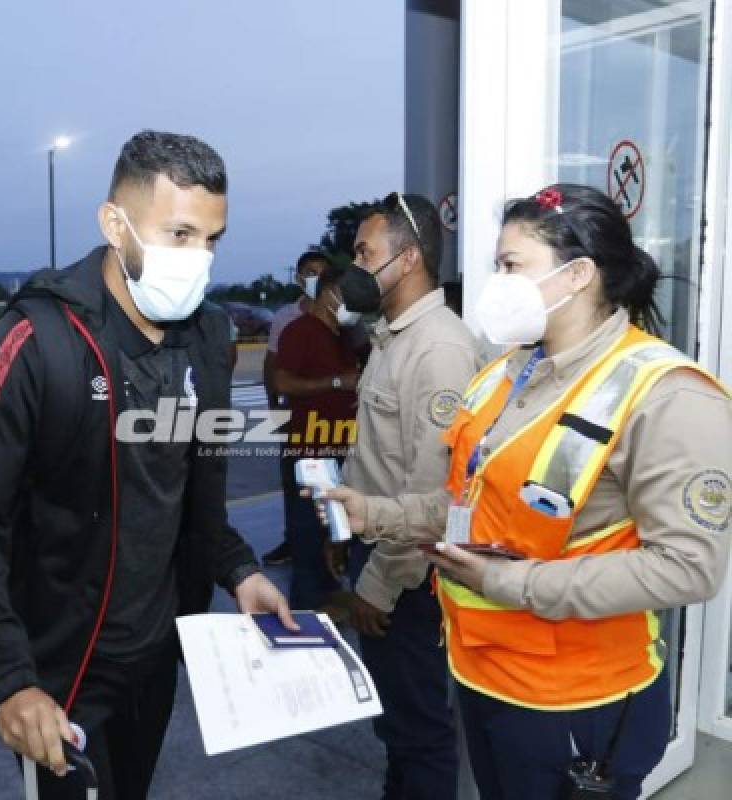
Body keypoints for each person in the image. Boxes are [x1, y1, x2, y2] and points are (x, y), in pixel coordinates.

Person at [318, 184, 732, 800]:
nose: (497, 283)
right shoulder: (504, 375)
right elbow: (469, 503)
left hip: (579, 701)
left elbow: (687, 568)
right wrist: (374, 512)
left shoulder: (667, 394)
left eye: (512, 265)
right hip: (486, 677)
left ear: (578, 275)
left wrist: (512, 583)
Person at [0, 130, 293, 800]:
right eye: (179, 234)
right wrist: (10, 681)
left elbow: (193, 490)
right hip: (62, 668)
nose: (198, 259)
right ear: (114, 224)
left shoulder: (207, 336)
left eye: (211, 240)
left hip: (154, 653)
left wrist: (238, 569)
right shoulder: (36, 340)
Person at [335, 192, 479, 800]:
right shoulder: (394, 338)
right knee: (396, 723)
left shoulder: (439, 350)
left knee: (419, 732)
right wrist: (344, 536)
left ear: (410, 258)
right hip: (375, 547)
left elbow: (436, 497)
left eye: (366, 253)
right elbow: (379, 457)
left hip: (406, 577)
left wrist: (380, 582)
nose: (356, 267)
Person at [273, 266, 363, 610]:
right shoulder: (300, 331)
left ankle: (329, 592)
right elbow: (282, 382)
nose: (353, 303)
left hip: (341, 446)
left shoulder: (343, 335)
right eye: (346, 294)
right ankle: (306, 605)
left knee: (334, 526)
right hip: (311, 450)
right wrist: (336, 383)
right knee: (308, 530)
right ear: (328, 294)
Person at [261, 250, 331, 566]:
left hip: (333, 420)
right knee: (294, 483)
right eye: (310, 272)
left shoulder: (340, 315)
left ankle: (334, 545)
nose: (316, 278)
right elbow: (272, 364)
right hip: (298, 417)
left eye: (322, 272)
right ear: (299, 278)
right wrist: (274, 405)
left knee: (330, 485)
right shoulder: (285, 318)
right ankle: (294, 542)